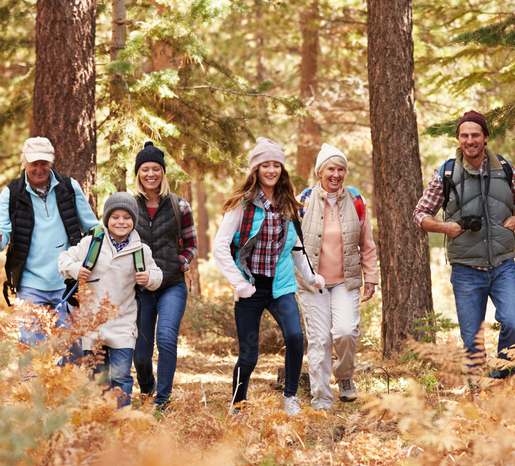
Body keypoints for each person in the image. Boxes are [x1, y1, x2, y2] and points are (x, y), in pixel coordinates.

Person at [212, 137, 325, 416]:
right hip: (250, 287)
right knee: (249, 355)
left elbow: (296, 247)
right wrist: (239, 284)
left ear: (282, 170)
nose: (271, 170)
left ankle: (290, 398)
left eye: (276, 165)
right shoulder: (243, 204)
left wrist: (311, 277)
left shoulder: (288, 203)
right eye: (265, 165)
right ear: (256, 169)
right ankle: (237, 404)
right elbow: (219, 247)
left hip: (281, 286)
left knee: (296, 337)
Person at [413, 110, 515, 379]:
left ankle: (501, 382)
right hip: (466, 270)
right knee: (472, 342)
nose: (470, 140)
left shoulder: (505, 167)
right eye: (464, 135)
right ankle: (478, 398)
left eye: (475, 135)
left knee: (514, 323)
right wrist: (443, 227)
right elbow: (419, 215)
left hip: (503, 265)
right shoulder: (446, 172)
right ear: (458, 139)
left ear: (485, 137)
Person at [0, 137, 100, 346]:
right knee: (31, 347)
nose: (39, 169)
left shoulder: (69, 187)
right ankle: (32, 381)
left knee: (72, 346)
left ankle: (70, 381)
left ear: (51, 162)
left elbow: (92, 227)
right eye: (34, 164)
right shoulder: (11, 193)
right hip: (29, 283)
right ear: (25, 163)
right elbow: (0, 237)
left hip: (67, 282)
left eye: (44, 163)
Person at [58, 193, 162, 408]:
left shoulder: (141, 251)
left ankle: (122, 420)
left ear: (134, 220)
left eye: (127, 217)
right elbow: (63, 259)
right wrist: (76, 269)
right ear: (106, 219)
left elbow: (157, 276)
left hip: (123, 323)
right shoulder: (92, 243)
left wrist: (150, 278)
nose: (121, 222)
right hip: (92, 323)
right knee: (96, 377)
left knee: (121, 376)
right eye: (115, 217)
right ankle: (100, 420)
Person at [296, 143, 378, 410]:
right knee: (319, 340)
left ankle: (344, 376)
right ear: (320, 171)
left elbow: (367, 243)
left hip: (346, 281)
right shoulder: (303, 201)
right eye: (331, 168)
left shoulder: (356, 201)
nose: (336, 174)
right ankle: (321, 400)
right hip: (311, 284)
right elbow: (290, 244)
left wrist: (371, 276)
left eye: (341, 169)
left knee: (345, 332)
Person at [130, 141, 198, 409]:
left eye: (156, 169)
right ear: (138, 173)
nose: (151, 174)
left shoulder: (180, 206)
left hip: (171, 286)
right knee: (141, 354)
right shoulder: (129, 206)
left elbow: (191, 244)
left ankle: (162, 400)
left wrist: (179, 263)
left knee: (167, 338)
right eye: (145, 169)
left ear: (163, 173)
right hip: (141, 289)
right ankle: (147, 387)